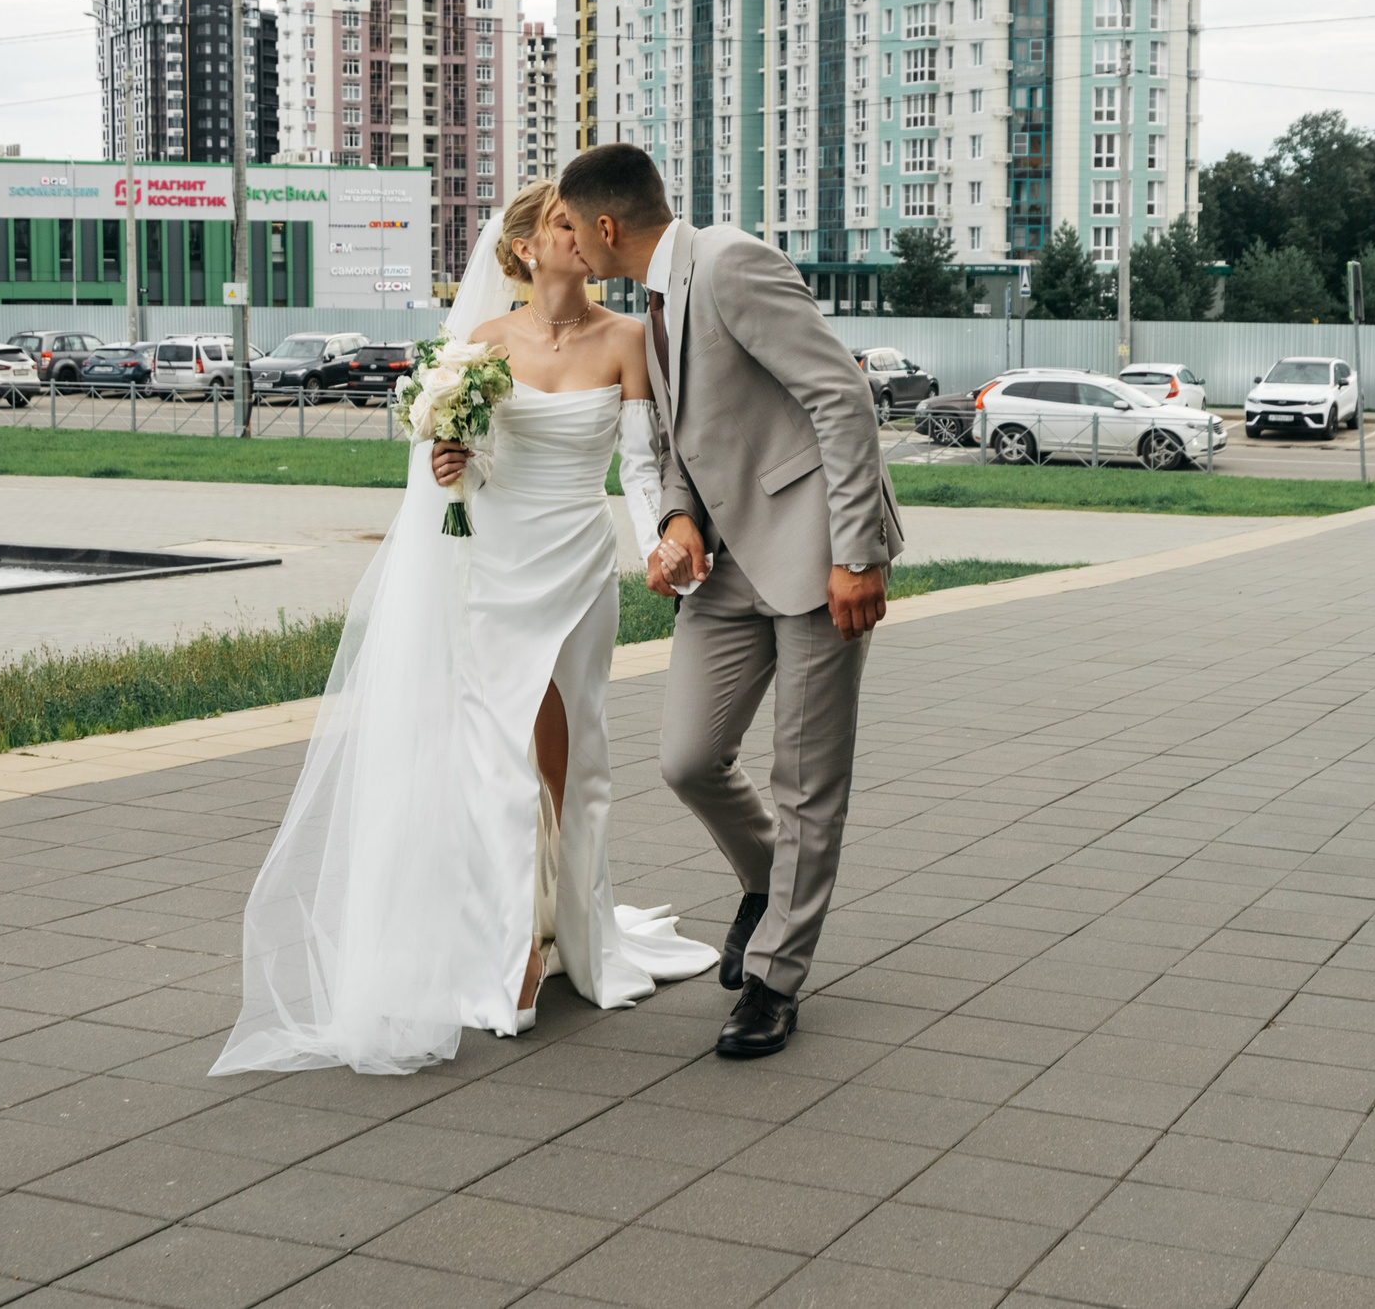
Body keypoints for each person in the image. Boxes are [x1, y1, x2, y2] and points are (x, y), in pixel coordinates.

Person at [213, 181, 714, 1078]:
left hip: (577, 565)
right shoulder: (481, 343)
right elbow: (466, 467)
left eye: (582, 223)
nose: (580, 235)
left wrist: (658, 546)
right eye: (562, 224)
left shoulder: (627, 339)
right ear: (524, 249)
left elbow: (643, 466)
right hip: (496, 566)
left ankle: (572, 927)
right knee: (496, 759)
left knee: (575, 757)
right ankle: (510, 950)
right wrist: (450, 460)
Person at [560, 144, 903, 1060]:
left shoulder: (730, 261)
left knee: (806, 780)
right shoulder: (653, 303)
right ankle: (765, 880)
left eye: (573, 228)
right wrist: (677, 520)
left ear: (606, 225)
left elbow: (842, 396)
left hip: (815, 554)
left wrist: (857, 553)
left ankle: (775, 980)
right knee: (687, 757)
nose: (571, 246)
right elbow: (683, 442)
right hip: (725, 566)